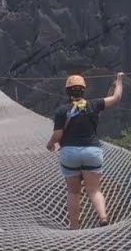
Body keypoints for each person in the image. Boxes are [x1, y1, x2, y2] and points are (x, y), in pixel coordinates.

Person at [46, 72, 124, 229]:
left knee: (74, 192)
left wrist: (50, 143)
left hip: (70, 153)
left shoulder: (62, 110)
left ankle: (74, 227)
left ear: (67, 91)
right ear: (83, 90)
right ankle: (103, 217)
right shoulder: (93, 105)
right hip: (92, 152)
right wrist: (120, 80)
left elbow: (58, 134)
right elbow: (116, 98)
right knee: (94, 190)